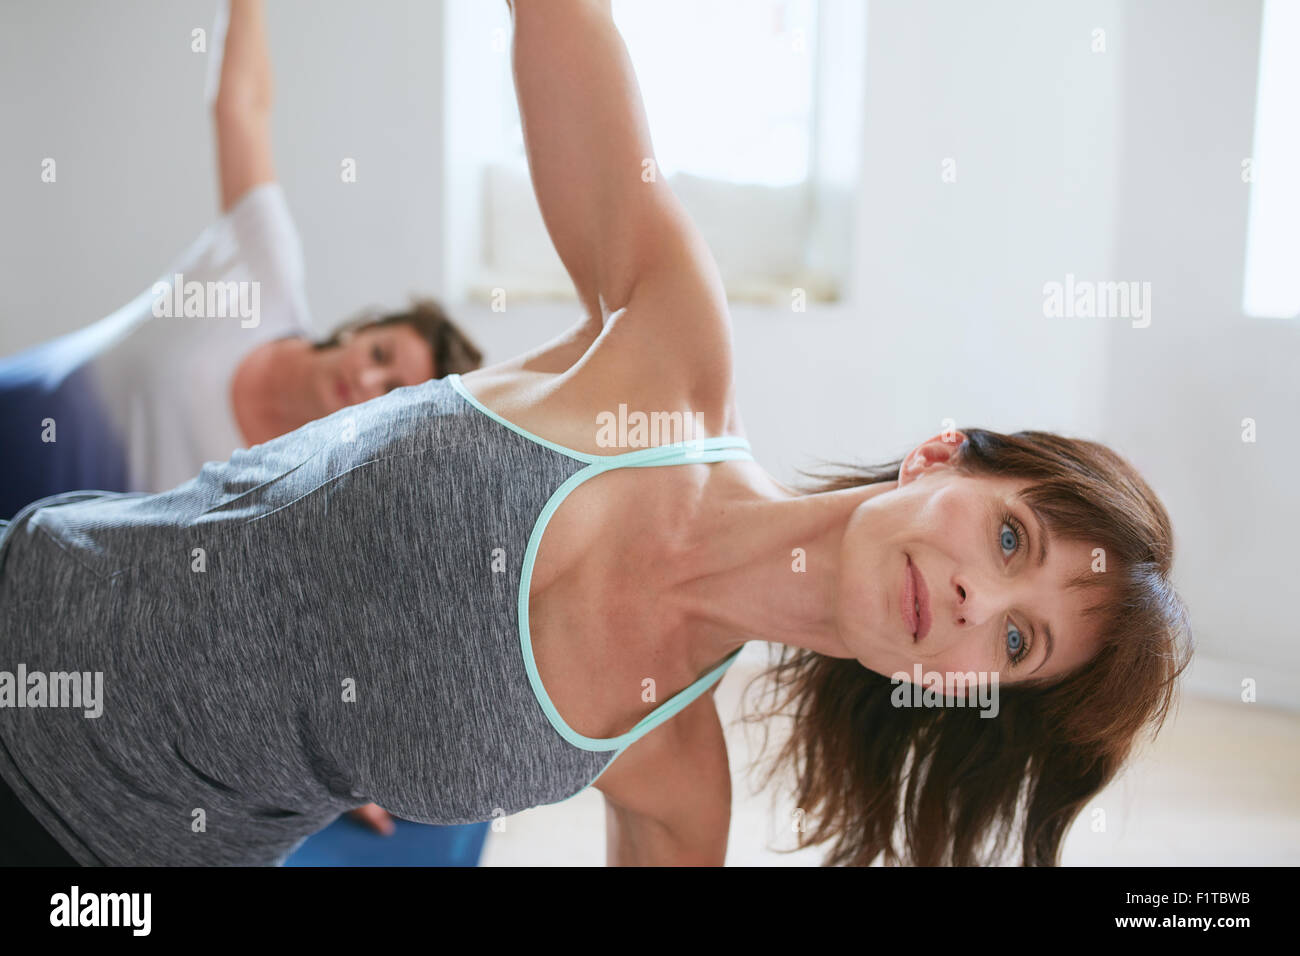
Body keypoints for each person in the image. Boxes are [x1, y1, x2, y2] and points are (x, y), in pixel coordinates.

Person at [0, 0, 1191, 867]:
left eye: (1022, 641)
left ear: (961, 690)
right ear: (943, 456)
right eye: (1012, 538)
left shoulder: (671, 781)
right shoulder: (669, 353)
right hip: (34, 594)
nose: (982, 601)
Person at [0, 0, 482, 522]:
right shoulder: (266, 273)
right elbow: (241, 107)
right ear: (362, 328)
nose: (368, 379)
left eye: (390, 392)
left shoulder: (283, 496)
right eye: (381, 353)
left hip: (29, 565)